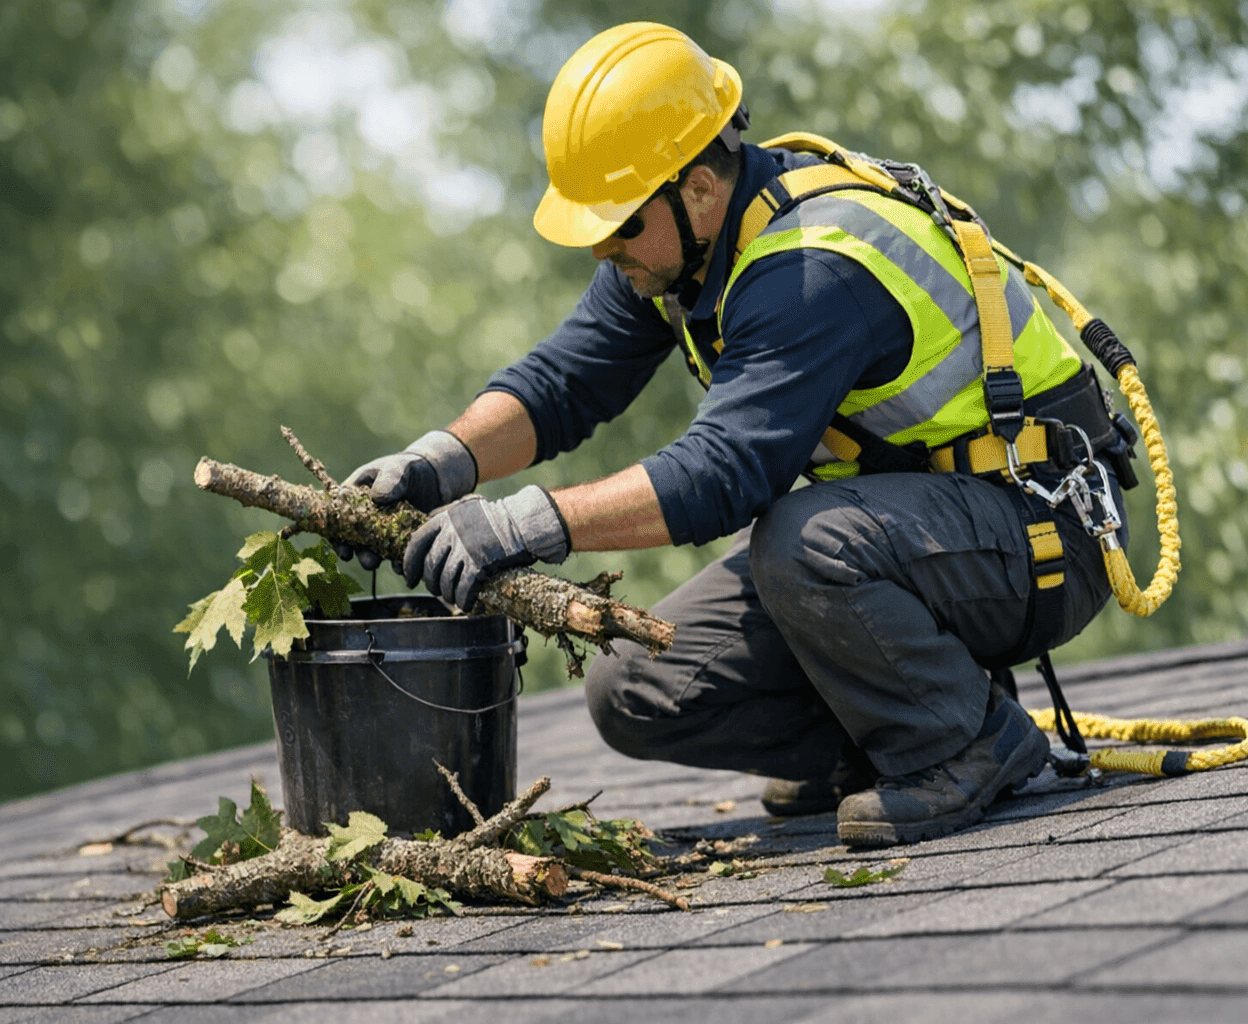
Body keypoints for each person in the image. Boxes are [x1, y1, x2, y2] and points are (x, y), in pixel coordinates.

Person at [340, 21, 1135, 849]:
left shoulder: (813, 267)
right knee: (634, 686)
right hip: (927, 538)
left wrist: (523, 525)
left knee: (798, 538)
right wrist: (442, 461)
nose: (607, 251)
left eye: (620, 226)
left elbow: (724, 474)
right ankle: (882, 738)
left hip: (1043, 534)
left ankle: (962, 743)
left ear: (697, 189)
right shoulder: (676, 253)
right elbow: (566, 381)